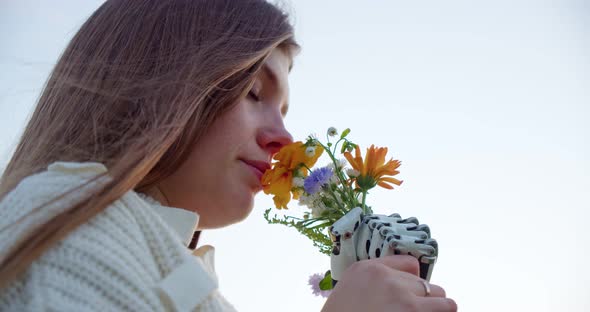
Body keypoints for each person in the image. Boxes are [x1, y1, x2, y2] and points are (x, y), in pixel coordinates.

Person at [0, 0, 457, 311]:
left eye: (283, 111)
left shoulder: (164, 259)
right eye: (254, 92)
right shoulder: (66, 217)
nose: (284, 137)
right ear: (161, 79)